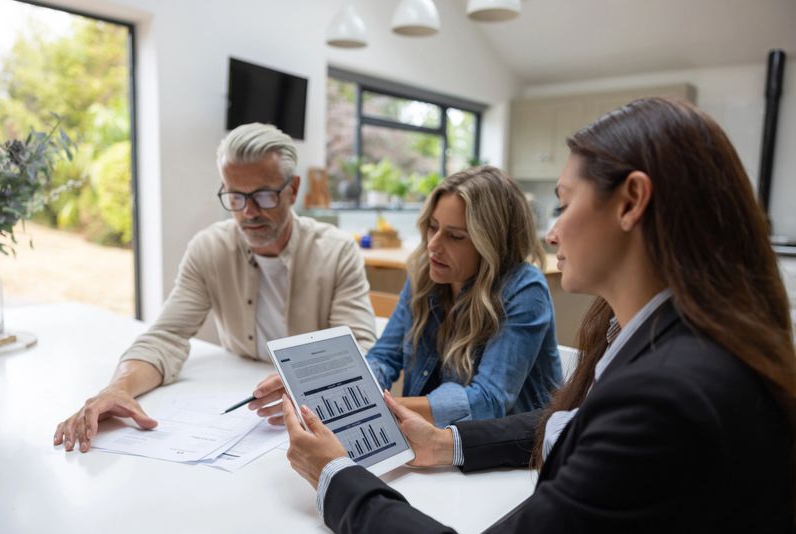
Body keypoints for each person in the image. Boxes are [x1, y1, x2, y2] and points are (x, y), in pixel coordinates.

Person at [281, 98, 796, 532]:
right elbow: (572, 424)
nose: (551, 234)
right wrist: (447, 443)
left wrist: (336, 477)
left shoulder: (664, 397)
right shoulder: (653, 339)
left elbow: (511, 406)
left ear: (631, 201)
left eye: (563, 204)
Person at [54, 123, 377, 453]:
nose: (249, 212)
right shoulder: (208, 248)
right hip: (246, 416)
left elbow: (362, 348)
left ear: (292, 190)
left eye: (264, 195)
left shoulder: (337, 250)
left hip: (317, 420)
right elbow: (167, 336)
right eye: (235, 197)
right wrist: (118, 388)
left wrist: (306, 382)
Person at [250, 166, 562, 428]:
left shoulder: (524, 289)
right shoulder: (426, 276)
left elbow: (487, 402)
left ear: (493, 243)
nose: (433, 246)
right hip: (436, 443)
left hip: (509, 459)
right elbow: (383, 359)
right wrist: (319, 387)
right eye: (432, 227)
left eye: (455, 236)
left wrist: (380, 406)